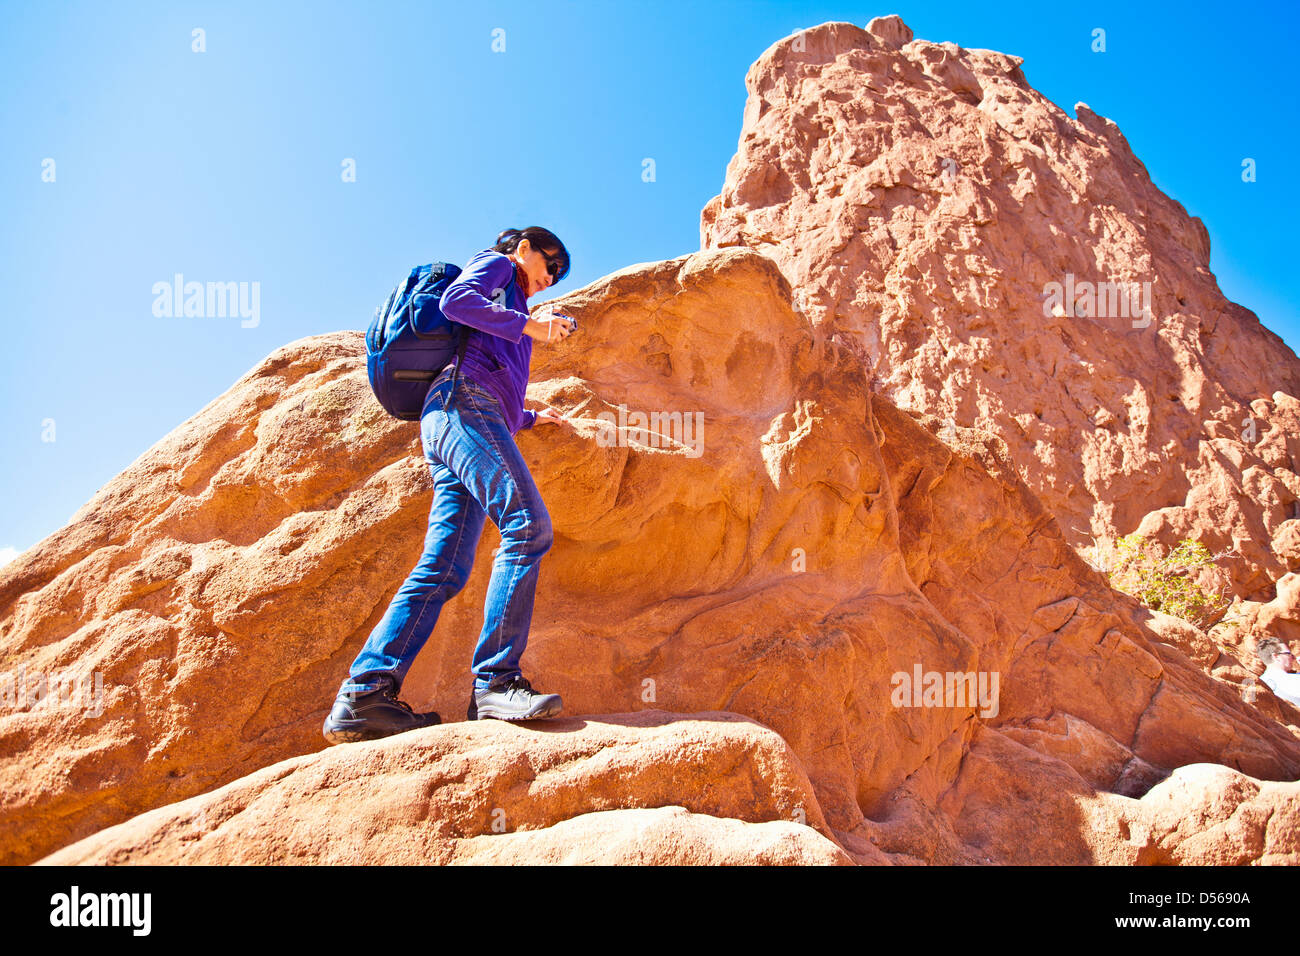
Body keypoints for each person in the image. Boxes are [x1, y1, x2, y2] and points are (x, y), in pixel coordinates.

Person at [323, 227, 577, 744]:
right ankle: (496, 683)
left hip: (456, 420)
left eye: (557, 276)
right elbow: (456, 300)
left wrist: (530, 418)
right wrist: (530, 325)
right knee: (527, 527)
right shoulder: (500, 267)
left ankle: (364, 696)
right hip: (463, 407)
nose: (550, 279)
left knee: (443, 569)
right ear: (524, 247)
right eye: (550, 264)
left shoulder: (511, 309)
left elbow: (490, 373)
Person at [1254, 637, 1300, 708]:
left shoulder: (1260, 681)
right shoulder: (1290, 679)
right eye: (1289, 654)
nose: (1293, 658)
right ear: (1276, 657)